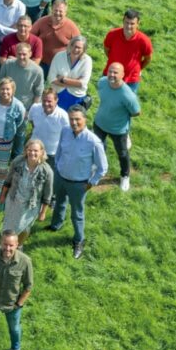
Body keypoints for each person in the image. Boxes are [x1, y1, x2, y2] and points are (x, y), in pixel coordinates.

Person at [49, 105, 109, 259]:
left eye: (77, 119)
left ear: (85, 120)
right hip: (61, 177)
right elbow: (60, 151)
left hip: (78, 184)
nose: (74, 123)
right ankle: (56, 225)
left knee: (77, 213)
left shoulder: (93, 142)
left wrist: (91, 183)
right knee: (58, 202)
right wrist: (57, 166)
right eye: (71, 119)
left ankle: (79, 240)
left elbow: (103, 167)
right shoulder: (65, 131)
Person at [94, 63, 141, 191]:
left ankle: (125, 176)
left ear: (122, 75)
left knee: (122, 153)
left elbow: (136, 111)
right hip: (99, 123)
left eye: (116, 73)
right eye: (110, 71)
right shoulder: (102, 82)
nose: (112, 75)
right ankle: (98, 167)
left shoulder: (127, 95)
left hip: (118, 130)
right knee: (97, 147)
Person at [0, 139, 54, 244]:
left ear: (41, 152)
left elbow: (48, 195)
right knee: (8, 225)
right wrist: (3, 195)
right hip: (14, 200)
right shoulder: (17, 162)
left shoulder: (47, 171)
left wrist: (43, 212)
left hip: (31, 205)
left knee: (24, 227)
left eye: (35, 151)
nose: (32, 153)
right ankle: (5, 244)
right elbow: (8, 180)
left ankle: (18, 245)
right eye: (30, 150)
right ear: (26, 150)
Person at [103, 9, 152, 92]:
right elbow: (107, 50)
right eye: (126, 22)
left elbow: (148, 59)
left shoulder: (144, 40)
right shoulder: (112, 34)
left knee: (127, 104)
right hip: (111, 75)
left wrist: (137, 68)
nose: (129, 26)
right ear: (123, 21)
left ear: (138, 24)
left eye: (132, 24)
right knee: (106, 101)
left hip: (131, 80)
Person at [31, 0, 80, 73]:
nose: (57, 13)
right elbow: (31, 37)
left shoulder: (72, 27)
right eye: (55, 10)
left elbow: (79, 46)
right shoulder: (42, 21)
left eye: (60, 11)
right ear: (51, 10)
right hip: (40, 61)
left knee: (55, 84)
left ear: (65, 12)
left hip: (60, 64)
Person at [48, 34, 92, 111]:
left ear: (84, 49)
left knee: (71, 121)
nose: (75, 49)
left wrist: (63, 79)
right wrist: (75, 82)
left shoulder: (87, 61)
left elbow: (83, 83)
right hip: (57, 94)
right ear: (70, 45)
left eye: (79, 48)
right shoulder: (59, 56)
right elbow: (51, 78)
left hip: (76, 97)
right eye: (74, 46)